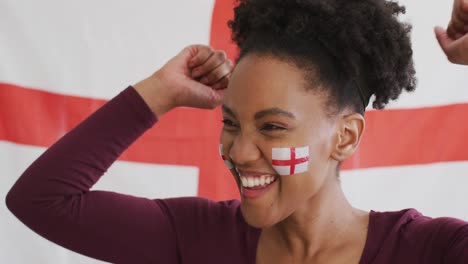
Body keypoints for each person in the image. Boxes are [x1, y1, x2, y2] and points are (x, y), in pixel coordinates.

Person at [5, 0, 468, 263]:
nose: (239, 151)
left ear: (345, 137)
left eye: (271, 127)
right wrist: (158, 92)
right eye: (230, 123)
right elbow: (42, 202)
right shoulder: (197, 238)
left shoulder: (430, 251)